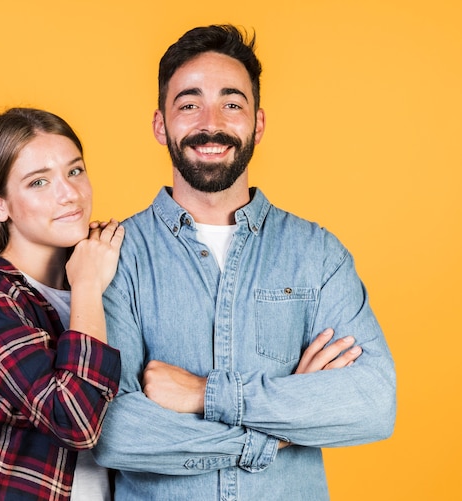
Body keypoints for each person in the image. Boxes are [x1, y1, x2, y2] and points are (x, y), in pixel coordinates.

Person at [92, 25, 396, 500]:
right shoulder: (114, 255)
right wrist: (281, 425)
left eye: (231, 104)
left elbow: (372, 403)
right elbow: (111, 431)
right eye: (189, 104)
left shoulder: (317, 254)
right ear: (159, 125)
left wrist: (203, 394)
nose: (211, 123)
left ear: (257, 123)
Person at [0, 107, 124, 501]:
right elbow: (75, 421)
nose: (69, 194)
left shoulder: (115, 275)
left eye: (75, 170)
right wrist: (85, 284)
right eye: (38, 182)